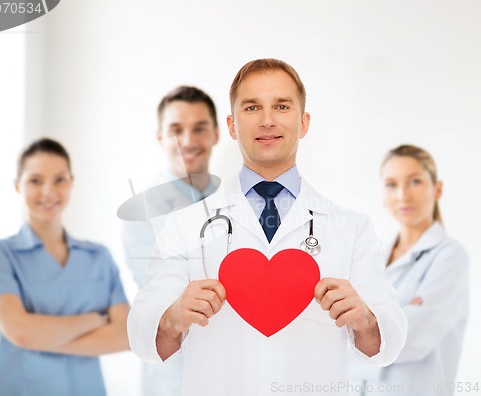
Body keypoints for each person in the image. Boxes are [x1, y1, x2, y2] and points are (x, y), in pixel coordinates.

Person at [127, 58, 407, 396]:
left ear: (304, 123)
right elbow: (142, 332)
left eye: (282, 106)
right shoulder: (186, 225)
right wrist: (171, 317)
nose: (267, 120)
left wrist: (366, 319)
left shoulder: (351, 228)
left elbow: (389, 340)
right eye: (251, 107)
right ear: (231, 126)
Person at [0, 138, 130, 396]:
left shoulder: (99, 257)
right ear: (18, 186)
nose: (48, 191)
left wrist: (40, 337)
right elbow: (21, 333)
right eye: (35, 180)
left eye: (59, 179)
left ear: (71, 183)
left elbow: (126, 335)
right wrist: (93, 320)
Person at [121, 86, 220, 395]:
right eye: (176, 129)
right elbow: (161, 291)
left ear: (216, 133)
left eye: (199, 128)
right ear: (160, 136)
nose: (188, 141)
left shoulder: (233, 201)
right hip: (173, 372)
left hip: (229, 364)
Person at [348, 145, 470, 396]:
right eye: (391, 184)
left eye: (415, 181)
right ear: (382, 195)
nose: (403, 194)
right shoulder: (372, 255)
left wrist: (362, 324)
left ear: (437, 189)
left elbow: (413, 338)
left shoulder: (450, 256)